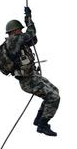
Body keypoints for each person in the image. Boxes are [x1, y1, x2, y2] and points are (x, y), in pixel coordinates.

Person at [5, 7, 60, 136]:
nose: (20, 31)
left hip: (32, 75)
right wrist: (28, 18)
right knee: (53, 97)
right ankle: (42, 125)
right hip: (28, 80)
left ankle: (39, 119)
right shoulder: (14, 40)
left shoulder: (17, 41)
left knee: (55, 91)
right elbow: (31, 32)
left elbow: (33, 39)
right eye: (19, 30)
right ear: (14, 31)